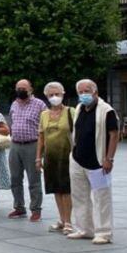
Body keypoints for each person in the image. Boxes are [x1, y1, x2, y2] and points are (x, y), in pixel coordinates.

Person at [68, 79, 119, 244]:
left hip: (98, 161)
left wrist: (109, 158)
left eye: (87, 91)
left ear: (95, 92)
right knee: (79, 196)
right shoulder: (79, 108)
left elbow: (114, 134)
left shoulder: (106, 111)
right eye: (81, 92)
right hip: (77, 159)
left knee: (101, 198)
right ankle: (84, 229)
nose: (84, 95)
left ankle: (103, 232)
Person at [37, 81, 74, 234]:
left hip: (67, 156)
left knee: (66, 189)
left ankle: (69, 222)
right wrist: (38, 158)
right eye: (51, 95)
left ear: (63, 94)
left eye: (57, 94)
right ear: (46, 96)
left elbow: (76, 133)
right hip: (50, 156)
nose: (54, 97)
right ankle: (61, 219)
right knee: (55, 189)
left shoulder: (71, 112)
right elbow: (41, 137)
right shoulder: (44, 114)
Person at [8, 79, 47, 221]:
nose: (21, 90)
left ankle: (36, 209)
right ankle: (19, 207)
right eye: (18, 88)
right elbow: (12, 122)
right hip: (15, 144)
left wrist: (42, 149)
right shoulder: (14, 104)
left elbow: (45, 127)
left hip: (32, 144)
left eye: (24, 88)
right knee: (15, 178)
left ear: (31, 89)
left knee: (34, 179)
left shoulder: (40, 104)